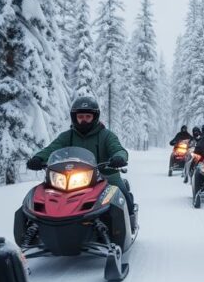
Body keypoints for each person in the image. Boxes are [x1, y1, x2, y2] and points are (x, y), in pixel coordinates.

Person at [27, 96, 135, 224]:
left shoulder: (106, 135)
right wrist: (38, 158)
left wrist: (119, 157)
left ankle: (130, 219)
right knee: (42, 194)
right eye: (81, 117)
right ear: (75, 117)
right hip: (73, 177)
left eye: (88, 117)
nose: (84, 120)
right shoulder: (68, 136)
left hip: (105, 175)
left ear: (94, 117)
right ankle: (40, 226)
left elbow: (118, 148)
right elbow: (52, 148)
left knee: (121, 194)